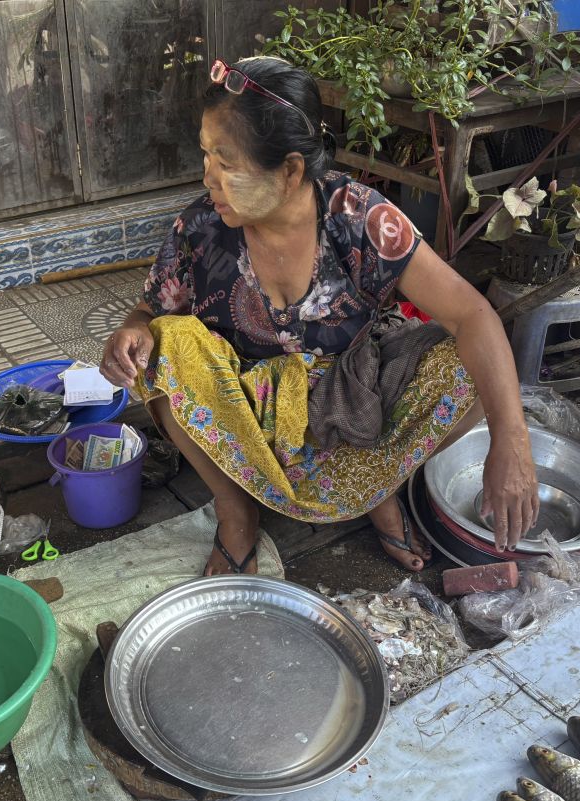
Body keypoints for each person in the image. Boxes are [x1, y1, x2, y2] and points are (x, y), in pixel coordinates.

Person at [100, 56, 538, 576]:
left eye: (225, 160)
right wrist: (131, 328)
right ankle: (236, 511)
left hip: (349, 403)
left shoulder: (362, 219)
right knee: (166, 343)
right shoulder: (199, 226)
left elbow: (474, 316)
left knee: (472, 372)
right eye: (206, 155)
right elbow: (150, 309)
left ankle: (379, 487)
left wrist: (513, 441)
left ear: (288, 170)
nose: (208, 177)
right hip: (246, 408)